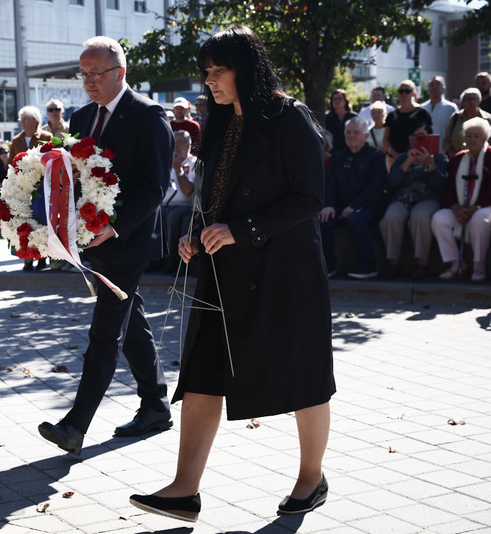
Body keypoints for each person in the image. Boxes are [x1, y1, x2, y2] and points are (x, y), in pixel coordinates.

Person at [129, 27, 334, 523]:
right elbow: (214, 195)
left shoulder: (291, 119)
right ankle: (184, 490)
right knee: (201, 374)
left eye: (218, 70)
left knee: (302, 376)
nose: (210, 80)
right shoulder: (219, 122)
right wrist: (196, 234)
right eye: (206, 71)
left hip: (285, 274)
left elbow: (310, 199)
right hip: (223, 275)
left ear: (246, 67)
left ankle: (312, 478)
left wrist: (240, 229)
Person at [38, 36, 174, 457]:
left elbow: (155, 186)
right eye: (84, 74)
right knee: (131, 323)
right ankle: (155, 405)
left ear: (121, 72)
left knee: (106, 330)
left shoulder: (149, 115)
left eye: (97, 73)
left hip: (127, 241)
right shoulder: (80, 116)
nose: (89, 82)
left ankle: (75, 424)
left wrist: (114, 228)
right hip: (90, 241)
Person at [431, 117, 491, 283]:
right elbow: (448, 189)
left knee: (480, 219)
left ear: (485, 138)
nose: (472, 140)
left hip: (489, 206)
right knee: (439, 219)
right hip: (461, 206)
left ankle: (479, 265)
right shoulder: (457, 159)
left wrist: (474, 208)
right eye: (468, 136)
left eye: (476, 136)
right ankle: (456, 263)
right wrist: (455, 207)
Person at [320, 117, 387, 279]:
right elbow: (329, 184)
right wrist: (328, 205)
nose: (351, 136)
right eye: (348, 132)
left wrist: (354, 206)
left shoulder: (376, 156)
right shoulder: (337, 157)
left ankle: (368, 266)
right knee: (323, 218)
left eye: (356, 132)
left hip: (369, 206)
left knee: (355, 220)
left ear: (365, 136)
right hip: (341, 206)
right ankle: (328, 266)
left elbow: (374, 188)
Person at [380, 124, 447, 280]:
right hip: (403, 199)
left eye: (421, 136)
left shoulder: (439, 157)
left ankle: (422, 264)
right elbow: (392, 182)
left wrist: (430, 164)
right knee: (391, 217)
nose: (417, 140)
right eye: (413, 137)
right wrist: (408, 162)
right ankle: (393, 263)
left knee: (420, 217)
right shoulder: (403, 157)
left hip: (427, 199)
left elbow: (441, 185)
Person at [9, 105, 53, 271]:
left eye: (26, 119)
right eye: (22, 119)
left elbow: (51, 162)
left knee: (41, 223)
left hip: (41, 188)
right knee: (24, 223)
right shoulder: (16, 140)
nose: (23, 122)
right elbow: (11, 165)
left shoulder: (46, 136)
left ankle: (42, 257)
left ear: (35, 121)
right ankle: (27, 258)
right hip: (23, 189)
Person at [163, 130, 198, 274]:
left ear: (189, 144)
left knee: (174, 217)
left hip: (186, 205)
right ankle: (155, 260)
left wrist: (178, 170)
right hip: (164, 205)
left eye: (180, 143)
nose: (176, 147)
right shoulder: (165, 161)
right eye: (174, 143)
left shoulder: (195, 163)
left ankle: (176, 262)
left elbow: (188, 191)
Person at [383, 80, 433, 162]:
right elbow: (385, 139)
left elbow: (428, 137)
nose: (404, 93)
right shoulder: (392, 115)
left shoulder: (422, 112)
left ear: (414, 93)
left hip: (418, 158)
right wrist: (395, 155)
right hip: (394, 158)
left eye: (407, 91)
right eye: (401, 91)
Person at [443, 88, 491, 158]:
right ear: (462, 102)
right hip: (458, 160)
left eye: (474, 99)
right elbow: (446, 142)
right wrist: (456, 156)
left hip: (483, 159)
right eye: (468, 99)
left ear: (479, 101)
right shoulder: (455, 117)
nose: (471, 102)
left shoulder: (487, 118)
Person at [421, 76, 458, 150]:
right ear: (428, 88)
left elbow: (456, 131)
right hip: (424, 153)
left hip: (443, 152)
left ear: (444, 88)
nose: (434, 87)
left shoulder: (451, 108)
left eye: (437, 84)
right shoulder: (421, 108)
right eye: (431, 85)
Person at [325, 89, 357, 154]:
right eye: (334, 99)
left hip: (351, 151)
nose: (337, 101)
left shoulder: (353, 117)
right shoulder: (327, 118)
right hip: (333, 153)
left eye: (339, 98)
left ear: (345, 101)